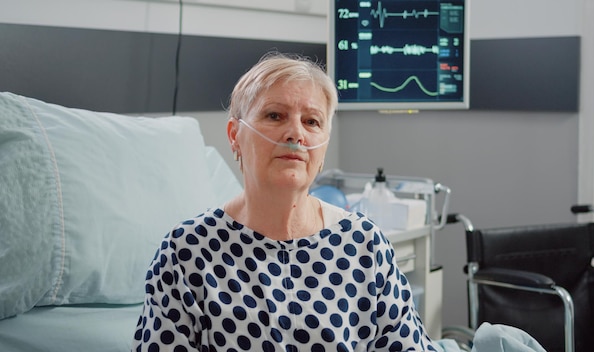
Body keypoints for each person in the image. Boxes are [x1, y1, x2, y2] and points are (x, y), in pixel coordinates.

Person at [132, 52, 438, 352]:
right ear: (235, 135)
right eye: (274, 115)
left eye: (312, 121)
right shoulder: (186, 252)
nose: (296, 133)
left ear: (324, 145)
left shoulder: (364, 245)